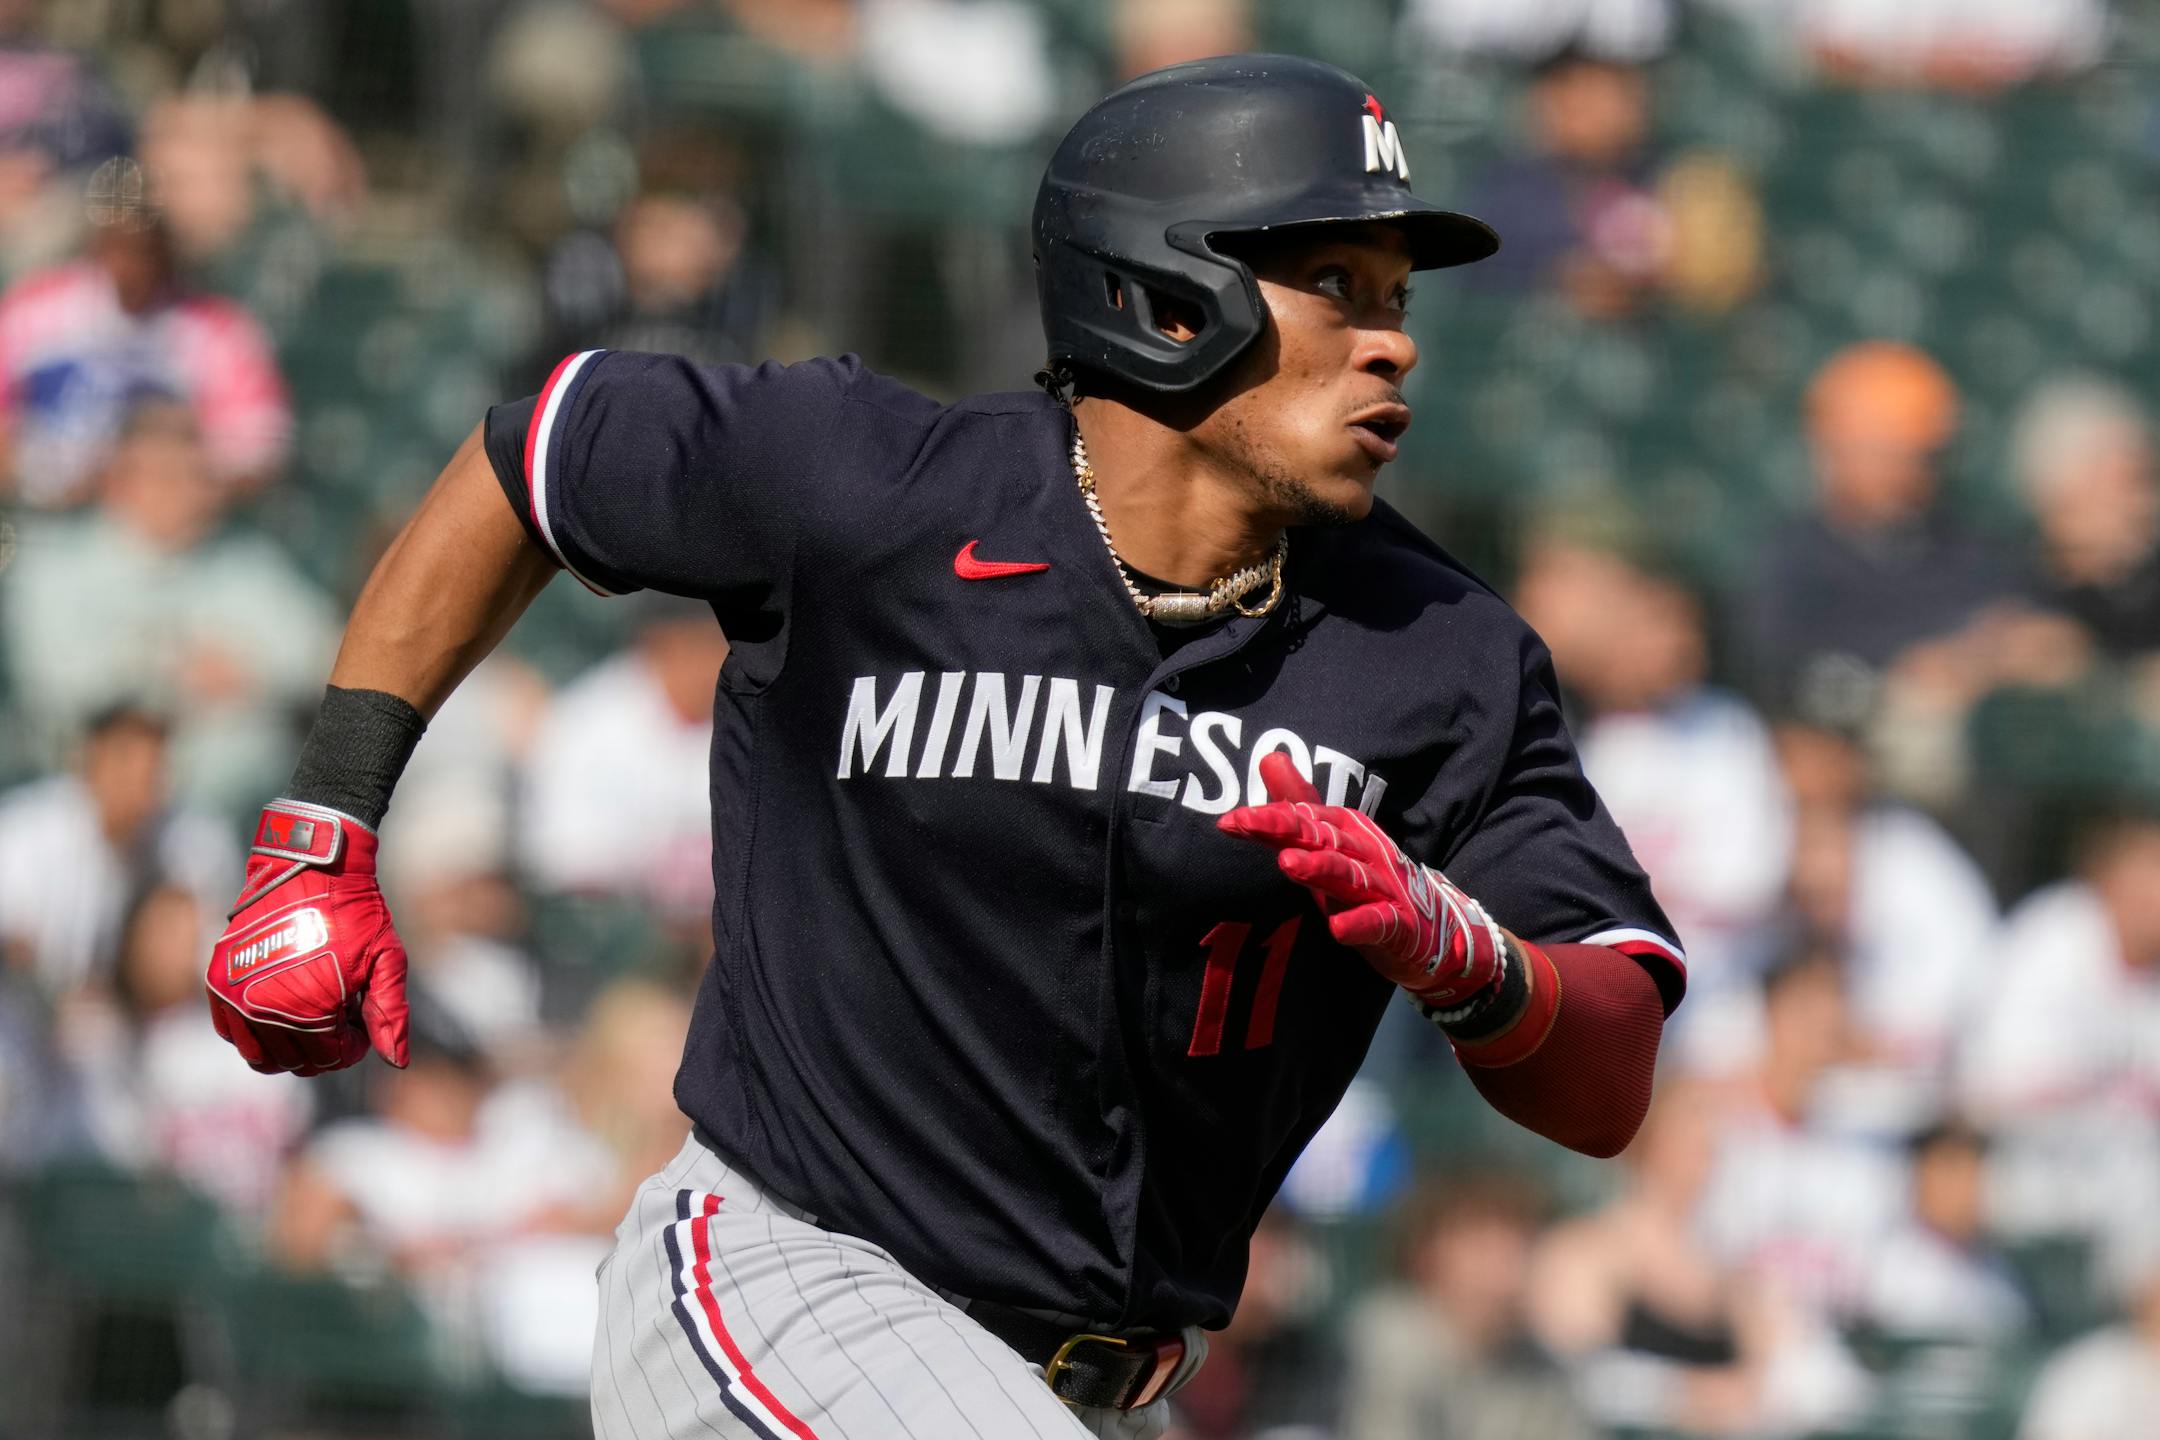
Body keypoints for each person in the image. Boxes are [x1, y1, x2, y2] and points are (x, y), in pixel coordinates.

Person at [202, 56, 1685, 1437]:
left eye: (1399, 296)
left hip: (1102, 1389)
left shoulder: (1442, 654)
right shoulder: (874, 487)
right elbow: (538, 452)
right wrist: (323, 826)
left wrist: (1481, 969)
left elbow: (1608, 1077)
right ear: (1166, 294)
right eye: (1336, 285)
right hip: (784, 1281)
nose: (1395, 344)